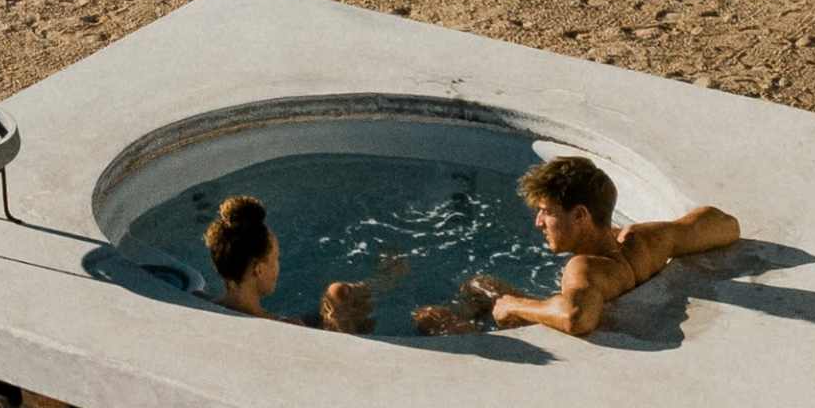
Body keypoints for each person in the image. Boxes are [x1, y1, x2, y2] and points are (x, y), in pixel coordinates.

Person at [416, 155, 739, 338]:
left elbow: (575, 316)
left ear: (581, 215)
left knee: (429, 318)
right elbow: (724, 224)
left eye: (547, 212)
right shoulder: (644, 240)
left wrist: (515, 306)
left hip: (576, 323)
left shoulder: (583, 267)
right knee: (479, 285)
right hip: (614, 284)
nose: (538, 223)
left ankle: (470, 328)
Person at [203, 198, 381, 333]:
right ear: (259, 269)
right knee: (341, 294)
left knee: (339, 296)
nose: (278, 267)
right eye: (275, 259)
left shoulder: (200, 302)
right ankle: (387, 277)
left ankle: (385, 277)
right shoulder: (290, 329)